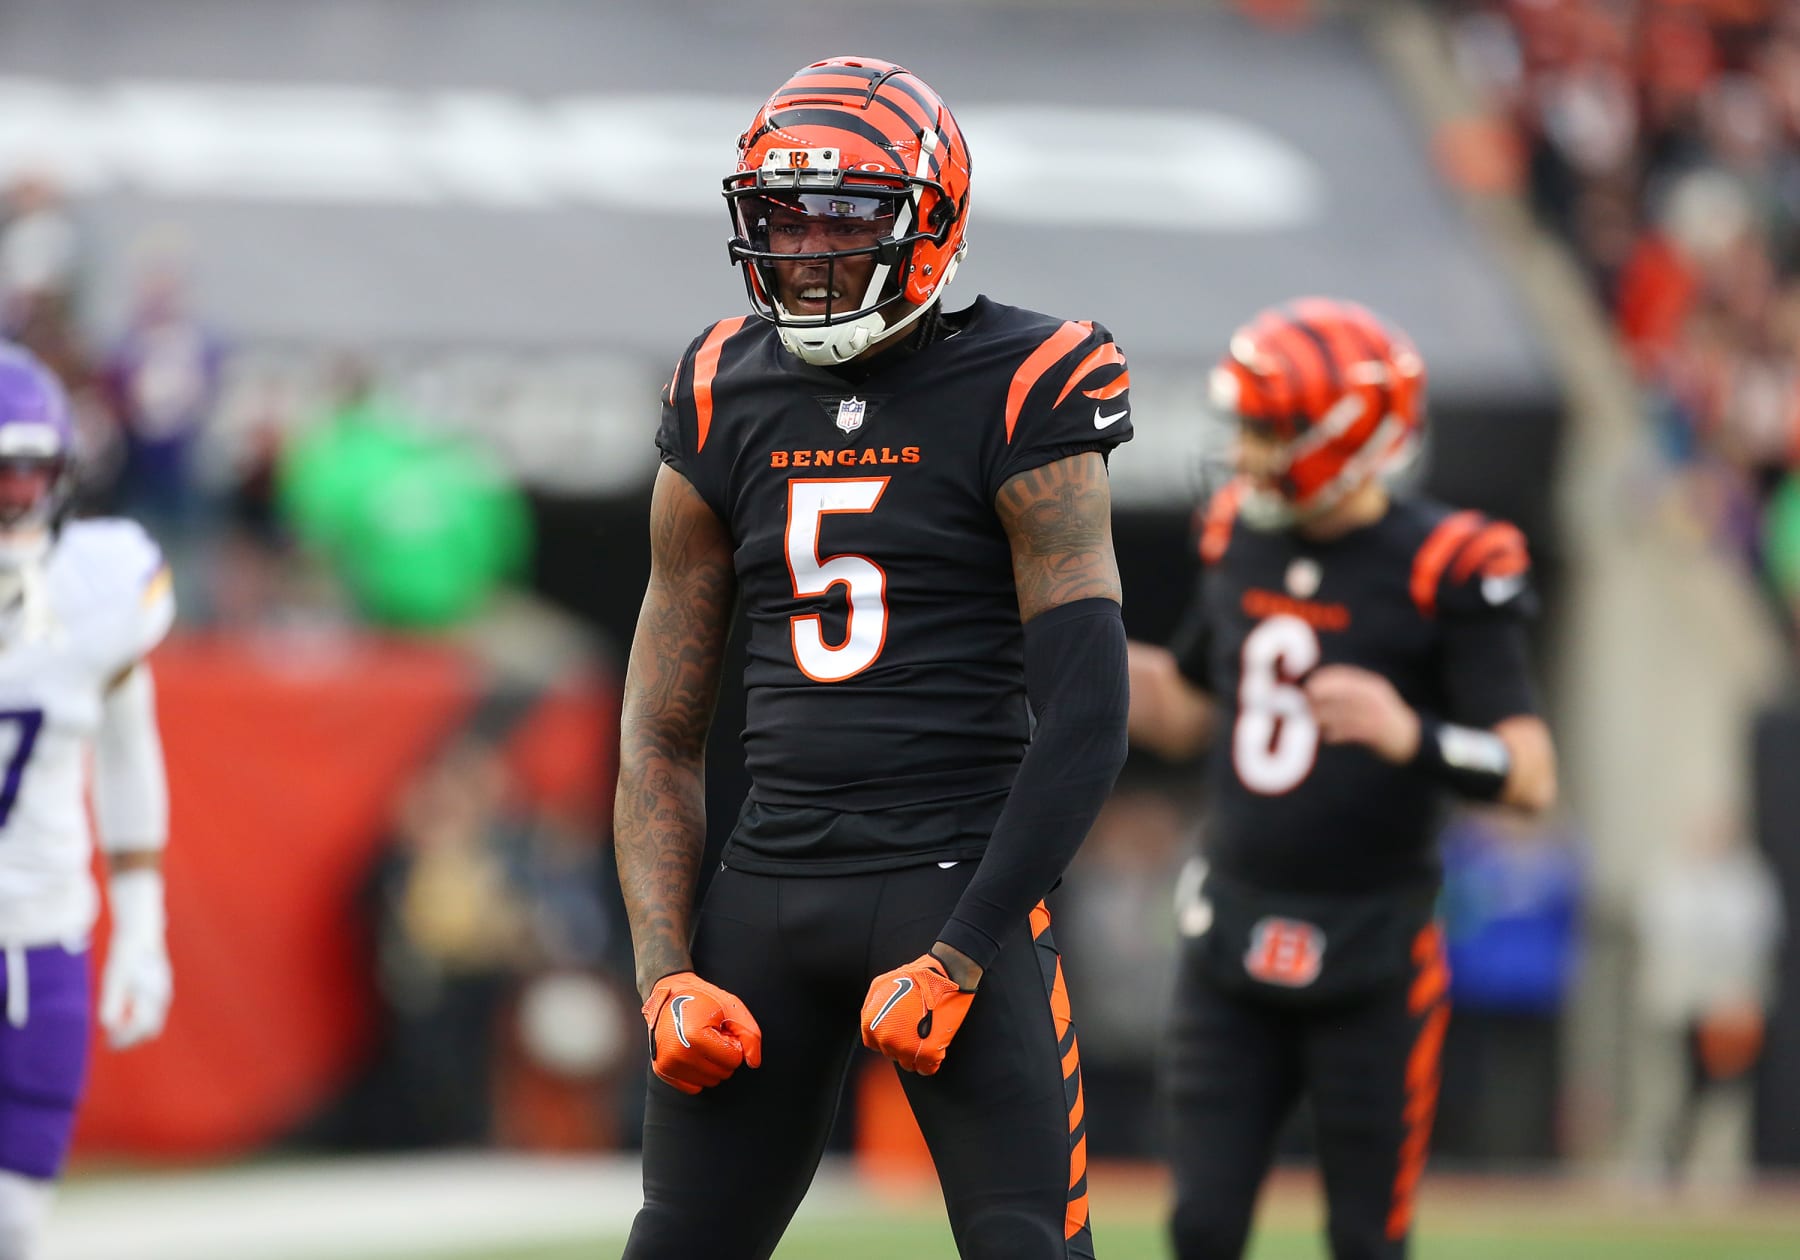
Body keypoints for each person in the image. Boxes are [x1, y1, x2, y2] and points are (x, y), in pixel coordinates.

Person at [613, 56, 1132, 1260]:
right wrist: (661, 974)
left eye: (843, 216)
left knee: (1028, 1248)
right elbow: (657, 730)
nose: (805, 251)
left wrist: (962, 952)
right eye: (780, 218)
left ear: (931, 220)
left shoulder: (1026, 378)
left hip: (955, 884)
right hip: (765, 889)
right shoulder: (716, 385)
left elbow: (1089, 711)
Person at [1127, 298, 1558, 1260]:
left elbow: (1531, 775)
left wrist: (1414, 735)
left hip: (1375, 947)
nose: (1244, 453)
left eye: (1269, 429)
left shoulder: (1447, 562)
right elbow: (1193, 707)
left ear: (1346, 435)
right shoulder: (1239, 528)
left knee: (1367, 1239)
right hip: (1227, 934)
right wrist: (1063, 641)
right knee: (1200, 1226)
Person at [0, 343, 177, 1259]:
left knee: (16, 1220)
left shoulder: (95, 589)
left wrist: (142, 925)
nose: (15, 502)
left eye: (28, 478)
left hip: (39, 931)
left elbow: (126, 748)